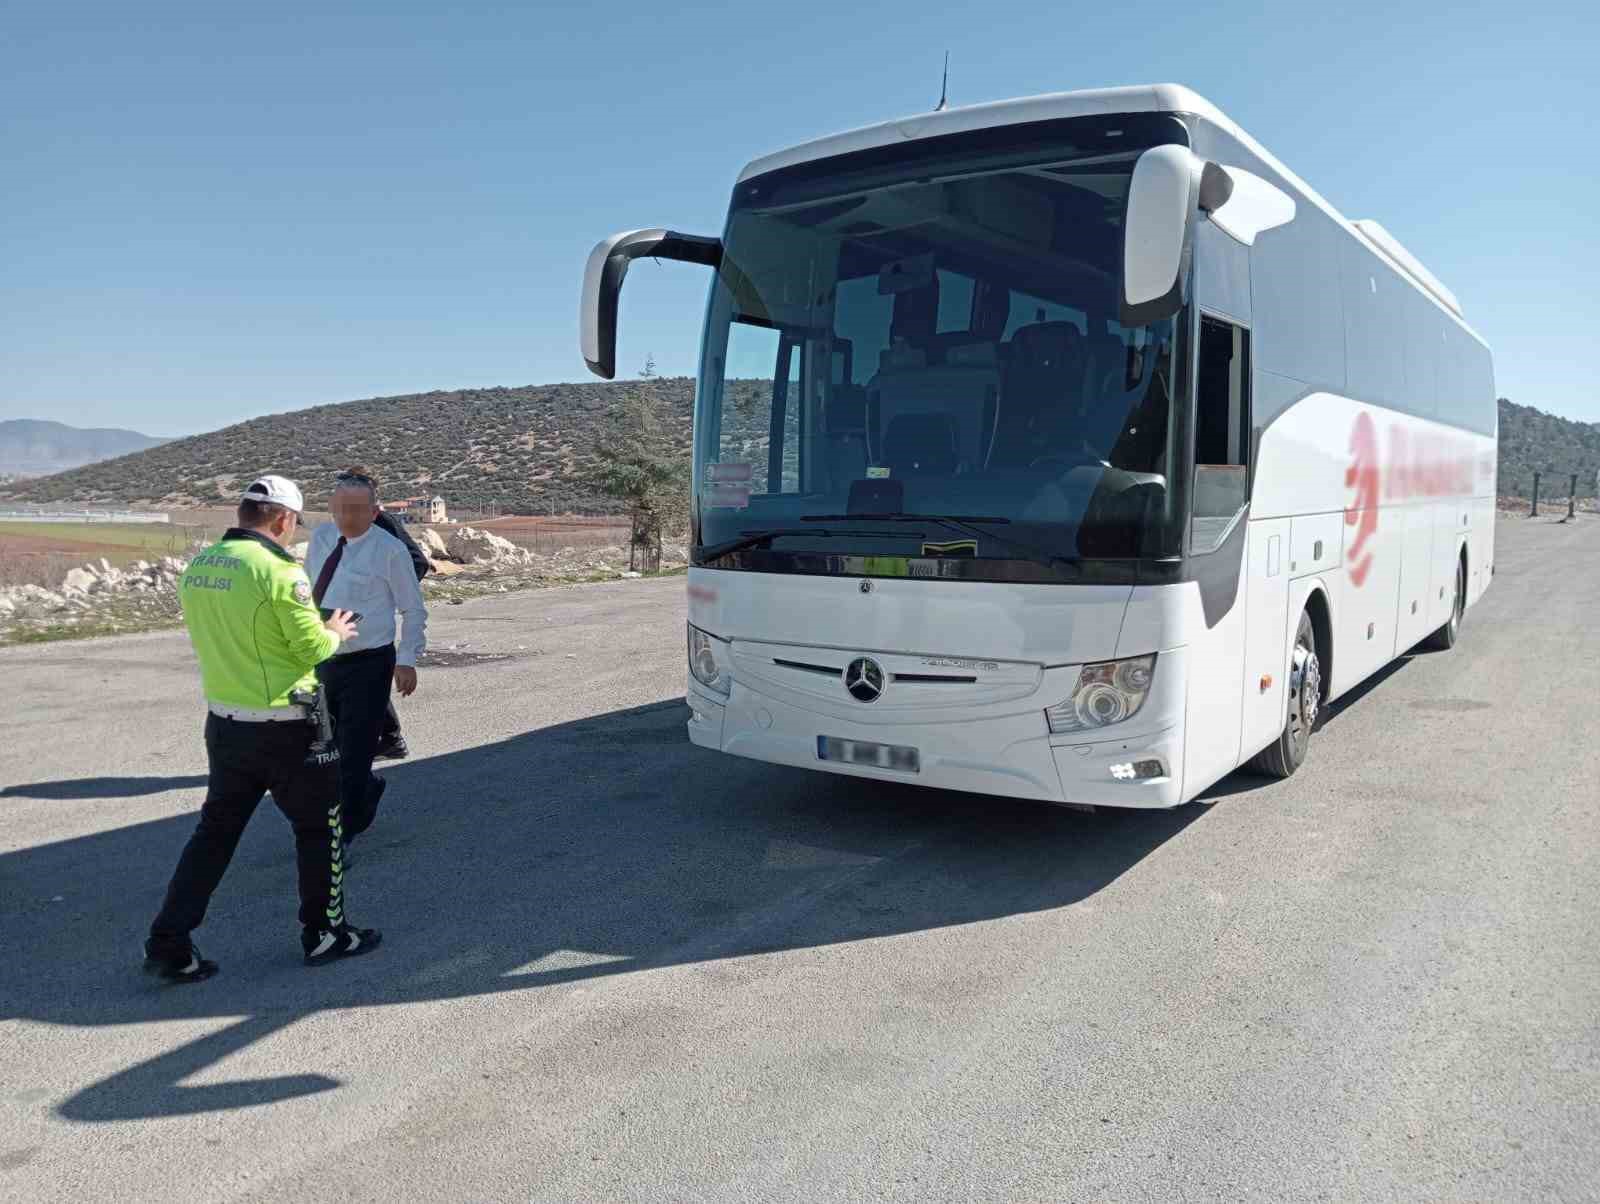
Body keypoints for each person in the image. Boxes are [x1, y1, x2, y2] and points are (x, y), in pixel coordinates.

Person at [144, 475, 382, 982]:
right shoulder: (280, 573)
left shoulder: (201, 565)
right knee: (321, 830)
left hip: (227, 723)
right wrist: (334, 631)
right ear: (281, 519)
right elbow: (309, 650)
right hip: (289, 728)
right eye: (294, 524)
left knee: (214, 835)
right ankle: (325, 932)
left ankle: (169, 939)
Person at [305, 468, 429, 848]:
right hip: (324, 658)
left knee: (355, 753)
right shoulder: (321, 537)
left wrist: (405, 660)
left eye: (357, 510)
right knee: (323, 750)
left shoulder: (389, 551)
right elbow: (308, 593)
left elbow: (413, 609)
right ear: (330, 507)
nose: (347, 517)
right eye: (341, 508)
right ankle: (365, 792)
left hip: (369, 664)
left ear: (375, 513)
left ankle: (345, 833)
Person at [370, 502, 430, 760]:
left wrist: (391, 594)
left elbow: (418, 562)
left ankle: (391, 738)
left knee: (369, 672)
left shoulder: (381, 521)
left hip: (370, 613)